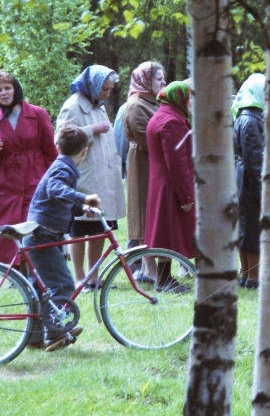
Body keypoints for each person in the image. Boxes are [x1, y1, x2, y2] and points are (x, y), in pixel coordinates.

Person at [23, 124, 101, 350]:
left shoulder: (61, 165)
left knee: (40, 288)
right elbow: (55, 189)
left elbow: (57, 200)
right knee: (63, 284)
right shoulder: (64, 169)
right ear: (84, 151)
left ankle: (34, 337)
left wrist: (80, 208)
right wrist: (83, 198)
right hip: (42, 234)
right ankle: (56, 333)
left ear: (58, 147)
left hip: (41, 232)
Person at [55, 65, 127, 289]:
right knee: (79, 229)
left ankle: (93, 277)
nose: (107, 93)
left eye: (109, 89)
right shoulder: (73, 105)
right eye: (104, 89)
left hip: (102, 176)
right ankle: (79, 279)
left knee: (98, 227)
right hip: (84, 176)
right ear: (93, 86)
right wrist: (91, 129)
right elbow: (60, 139)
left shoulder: (98, 104)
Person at [0, 71, 59, 267]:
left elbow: (50, 152)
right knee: (8, 232)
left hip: (35, 181)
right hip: (6, 186)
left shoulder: (37, 113)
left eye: (7, 88)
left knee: (33, 229)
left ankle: (34, 272)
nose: (3, 93)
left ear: (15, 89)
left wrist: (56, 180)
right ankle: (14, 274)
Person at [145, 81, 195, 293]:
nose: (191, 101)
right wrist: (186, 196)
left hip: (161, 183)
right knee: (167, 233)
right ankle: (164, 281)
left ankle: (164, 279)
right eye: (189, 97)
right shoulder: (172, 122)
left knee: (166, 233)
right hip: (170, 186)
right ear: (180, 97)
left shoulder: (162, 116)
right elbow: (177, 163)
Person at [121, 61, 166, 283]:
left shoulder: (155, 103)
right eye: (159, 79)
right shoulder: (136, 105)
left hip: (156, 163)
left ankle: (152, 268)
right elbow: (146, 140)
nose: (163, 82)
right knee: (144, 212)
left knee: (153, 213)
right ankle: (149, 269)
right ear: (146, 81)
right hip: (143, 163)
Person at [233, 73, 265, 288]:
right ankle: (253, 277)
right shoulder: (251, 120)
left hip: (242, 178)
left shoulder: (243, 116)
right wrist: (262, 189)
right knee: (252, 229)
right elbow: (255, 159)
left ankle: (246, 274)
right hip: (249, 180)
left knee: (246, 228)